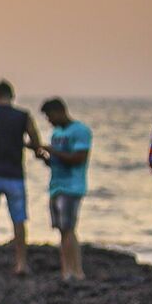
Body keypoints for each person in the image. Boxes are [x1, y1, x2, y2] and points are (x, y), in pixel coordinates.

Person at [0, 79, 47, 276]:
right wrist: (26, 145)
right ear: (12, 95)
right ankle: (20, 263)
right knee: (19, 220)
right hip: (15, 174)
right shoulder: (22, 116)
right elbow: (35, 140)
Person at [39, 98, 91, 282]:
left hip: (72, 187)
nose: (49, 120)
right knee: (62, 229)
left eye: (50, 115)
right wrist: (44, 156)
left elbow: (78, 158)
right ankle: (66, 269)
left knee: (68, 228)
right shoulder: (56, 133)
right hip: (56, 186)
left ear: (60, 111)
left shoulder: (80, 131)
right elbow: (56, 163)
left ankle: (76, 271)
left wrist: (52, 151)